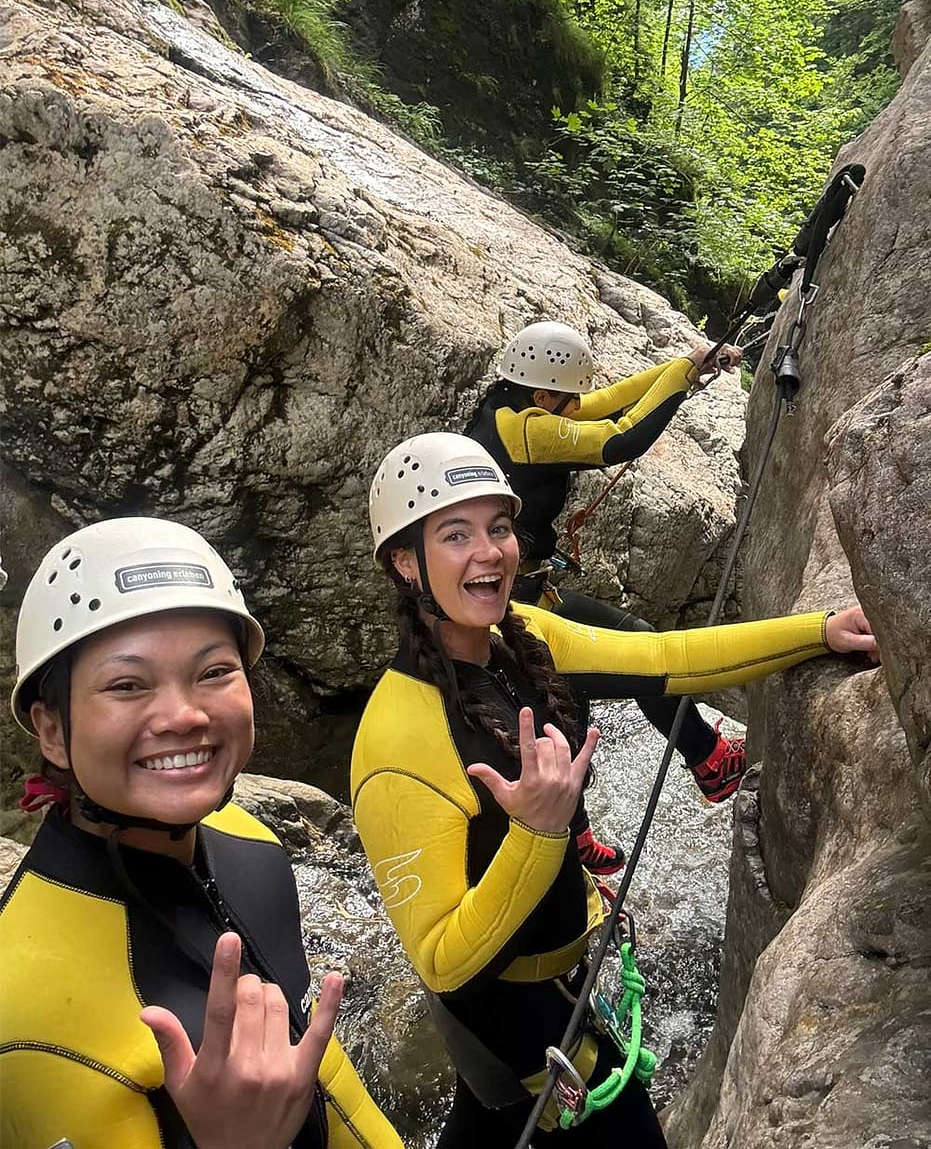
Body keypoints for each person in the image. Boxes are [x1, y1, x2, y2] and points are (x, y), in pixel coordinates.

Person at [352, 432, 878, 1147]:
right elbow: (444, 963)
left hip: (558, 991)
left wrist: (818, 630)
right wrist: (539, 833)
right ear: (405, 562)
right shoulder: (395, 742)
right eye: (455, 535)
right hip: (516, 1025)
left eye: (498, 528)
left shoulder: (521, 635)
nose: (489, 553)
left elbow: (664, 659)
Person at [0, 517, 404, 1149]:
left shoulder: (251, 846)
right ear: (52, 730)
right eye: (127, 685)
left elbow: (332, 1090)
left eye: (214, 672)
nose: (186, 716)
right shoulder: (24, 1009)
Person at [466, 320, 747, 872]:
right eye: (565, 400)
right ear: (543, 394)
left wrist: (685, 367)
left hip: (520, 595)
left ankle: (574, 836)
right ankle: (709, 761)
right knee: (638, 652)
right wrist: (681, 379)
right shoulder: (527, 429)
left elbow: (602, 403)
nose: (574, 407)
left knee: (565, 704)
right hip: (515, 605)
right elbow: (619, 437)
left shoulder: (506, 408)